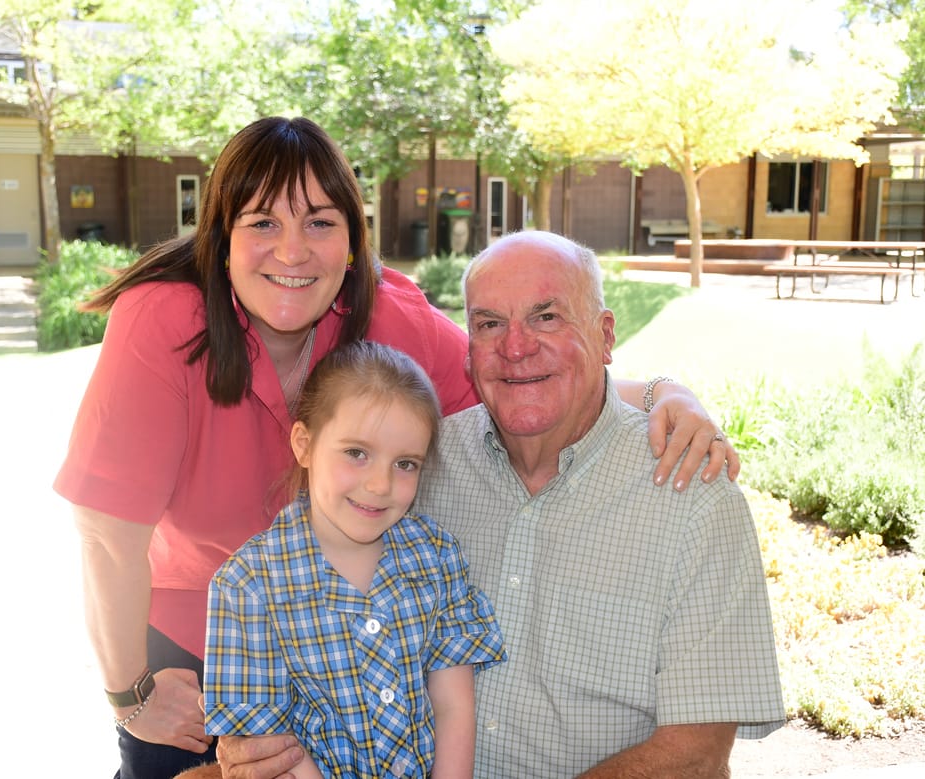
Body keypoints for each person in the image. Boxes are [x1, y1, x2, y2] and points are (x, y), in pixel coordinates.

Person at [54, 116, 736, 779]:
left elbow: (515, 374)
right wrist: (129, 692)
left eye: (320, 221)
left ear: (352, 239)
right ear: (221, 237)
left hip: (342, 653)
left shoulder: (383, 317)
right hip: (203, 652)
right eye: (263, 221)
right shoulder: (166, 321)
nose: (292, 251)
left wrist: (663, 393)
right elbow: (107, 535)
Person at [215, 231, 784, 779]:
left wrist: (668, 389)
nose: (516, 347)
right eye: (489, 324)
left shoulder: (691, 492)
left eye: (547, 316)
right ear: (468, 351)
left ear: (606, 335)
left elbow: (694, 758)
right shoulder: (422, 462)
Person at [204, 340, 504, 779]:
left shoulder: (435, 554)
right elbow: (272, 747)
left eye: (405, 463)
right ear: (304, 444)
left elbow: (454, 703)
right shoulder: (247, 584)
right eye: (357, 453)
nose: (381, 484)